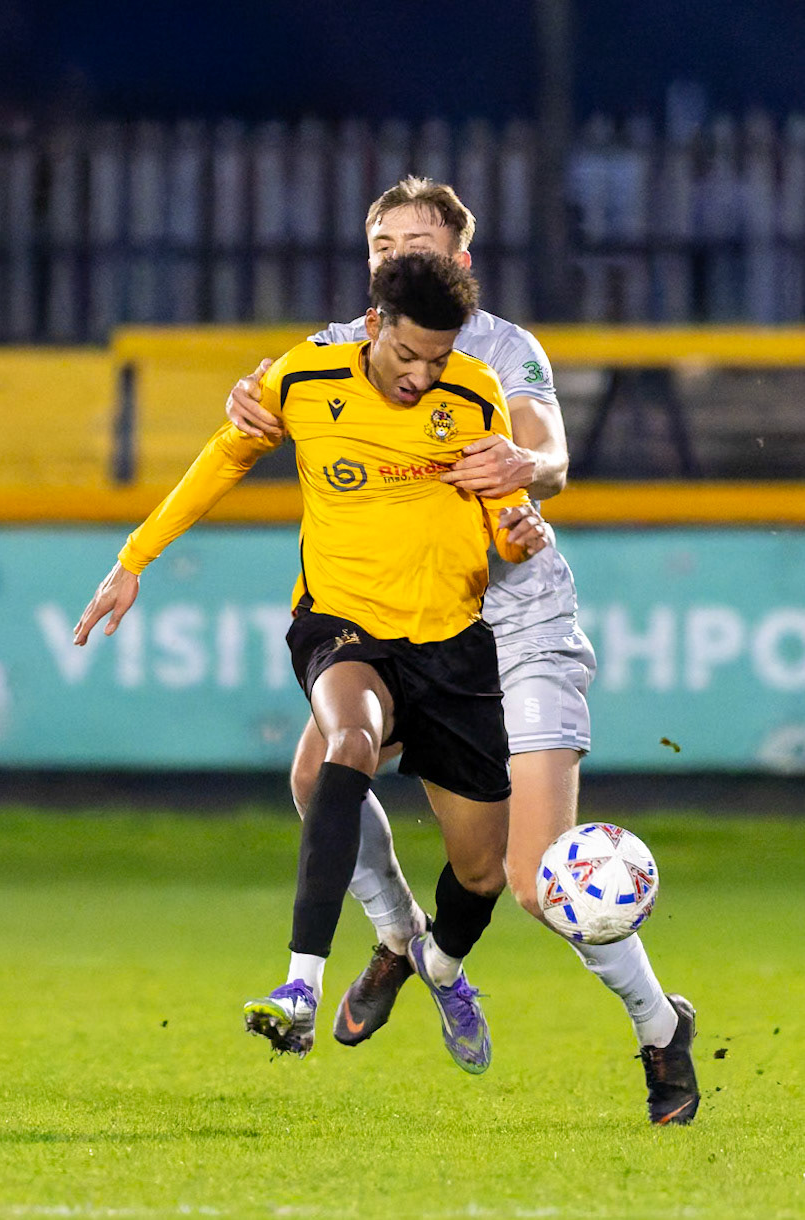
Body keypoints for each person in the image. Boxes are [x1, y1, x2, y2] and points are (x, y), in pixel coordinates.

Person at [225, 176, 700, 1125]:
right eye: (386, 240)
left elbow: (551, 452)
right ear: (370, 259)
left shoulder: (502, 349)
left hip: (517, 631)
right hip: (404, 628)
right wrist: (245, 405)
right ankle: (402, 938)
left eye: (424, 241)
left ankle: (658, 1027)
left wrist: (530, 467)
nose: (403, 252)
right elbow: (268, 408)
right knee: (319, 775)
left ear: (461, 260)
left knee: (533, 878)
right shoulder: (333, 352)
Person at [74, 251, 546, 1075]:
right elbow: (225, 455)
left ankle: (438, 966)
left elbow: (506, 521)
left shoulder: (473, 395)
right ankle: (299, 987)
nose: (420, 376)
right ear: (373, 327)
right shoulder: (303, 378)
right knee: (348, 741)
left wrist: (520, 529)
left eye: (437, 358)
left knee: (480, 875)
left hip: (450, 645)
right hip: (341, 625)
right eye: (407, 356)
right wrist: (134, 557)